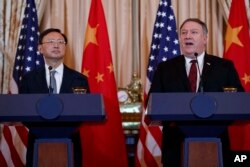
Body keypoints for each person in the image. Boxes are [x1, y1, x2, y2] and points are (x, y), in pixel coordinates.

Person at [149, 18, 244, 167]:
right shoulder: (165, 68)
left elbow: (239, 101)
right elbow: (153, 102)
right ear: (180, 38)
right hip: (175, 146)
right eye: (184, 33)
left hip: (216, 142)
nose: (188, 36)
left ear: (205, 38)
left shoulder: (224, 67)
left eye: (194, 32)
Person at [19, 28, 89, 167]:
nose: (56, 45)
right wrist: (43, 129)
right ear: (40, 48)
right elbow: (23, 110)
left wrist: (64, 129)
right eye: (51, 41)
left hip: (70, 140)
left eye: (60, 42)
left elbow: (85, 110)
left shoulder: (79, 79)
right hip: (37, 140)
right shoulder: (29, 79)